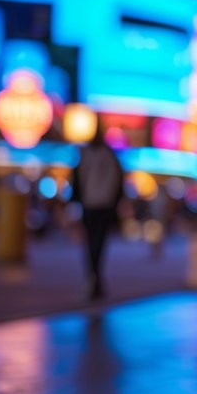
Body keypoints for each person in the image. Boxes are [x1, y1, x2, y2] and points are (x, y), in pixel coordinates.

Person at [70, 126, 124, 299]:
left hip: (90, 204)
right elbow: (117, 181)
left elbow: (77, 181)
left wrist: (76, 201)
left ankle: (92, 277)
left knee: (91, 242)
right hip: (104, 204)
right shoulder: (109, 155)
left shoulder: (85, 154)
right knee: (99, 242)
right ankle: (95, 278)